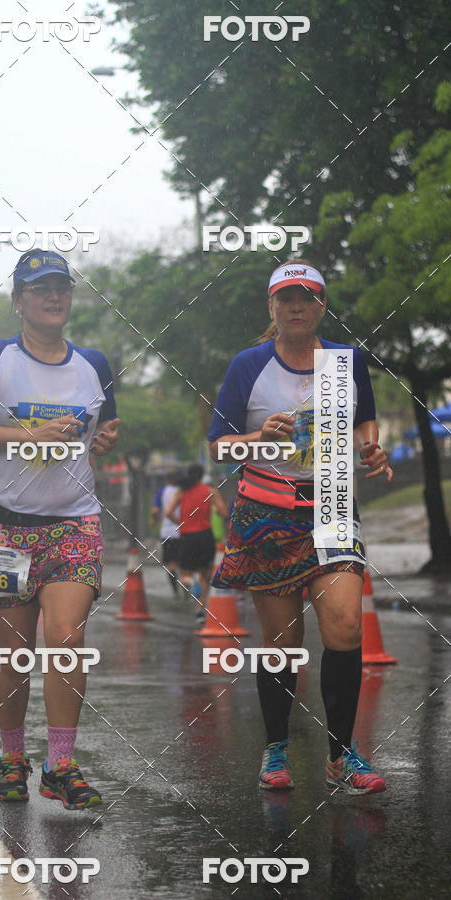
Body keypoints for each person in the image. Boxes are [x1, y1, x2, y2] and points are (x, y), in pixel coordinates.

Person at [208, 259, 392, 795]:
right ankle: (276, 748)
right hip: (267, 514)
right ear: (272, 308)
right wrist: (259, 437)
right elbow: (220, 446)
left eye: (307, 298)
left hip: (332, 505)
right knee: (283, 641)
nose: (296, 307)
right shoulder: (248, 366)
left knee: (345, 626)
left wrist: (370, 448)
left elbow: (365, 419)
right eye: (286, 298)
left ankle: (341, 756)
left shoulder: (346, 362)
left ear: (321, 306)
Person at [0, 249, 119, 809]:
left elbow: (107, 421)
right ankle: (11, 757)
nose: (54, 297)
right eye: (40, 288)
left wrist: (102, 438)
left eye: (62, 287)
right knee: (13, 656)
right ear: (18, 301)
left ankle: (60, 763)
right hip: (2, 528)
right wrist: (27, 437)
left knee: (68, 640)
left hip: (73, 522)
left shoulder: (94, 363)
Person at [165, 463, 227, 624]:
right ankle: (200, 610)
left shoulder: (181, 492)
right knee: (205, 575)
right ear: (201, 476)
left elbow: (168, 512)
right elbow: (223, 512)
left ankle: (192, 585)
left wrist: (180, 522)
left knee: (186, 573)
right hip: (205, 536)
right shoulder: (210, 491)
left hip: (187, 536)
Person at [150, 470, 181, 596]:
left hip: (167, 533)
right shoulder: (183, 491)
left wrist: (153, 520)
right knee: (184, 565)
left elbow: (155, 511)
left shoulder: (161, 492)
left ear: (166, 480)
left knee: (170, 565)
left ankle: (176, 592)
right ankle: (186, 590)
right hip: (183, 532)